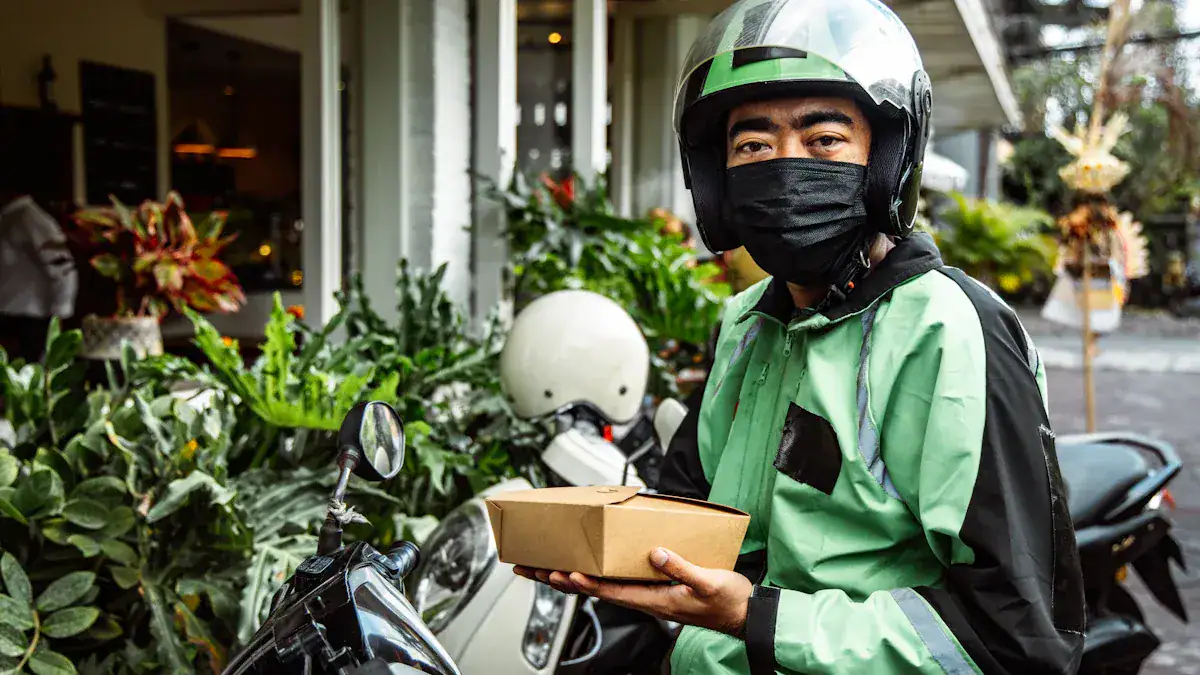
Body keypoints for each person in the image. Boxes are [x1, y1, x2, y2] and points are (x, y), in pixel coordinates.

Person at [515, 0, 1086, 673]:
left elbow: (1015, 639)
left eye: (824, 141)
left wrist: (754, 615)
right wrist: (598, 548)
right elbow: (692, 513)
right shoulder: (748, 324)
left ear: (886, 159)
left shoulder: (948, 331)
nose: (784, 169)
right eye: (752, 146)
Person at [0, 186, 77, 363]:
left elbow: (63, 267)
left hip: (31, 318)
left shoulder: (31, 218)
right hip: (8, 316)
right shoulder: (7, 217)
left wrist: (60, 314)